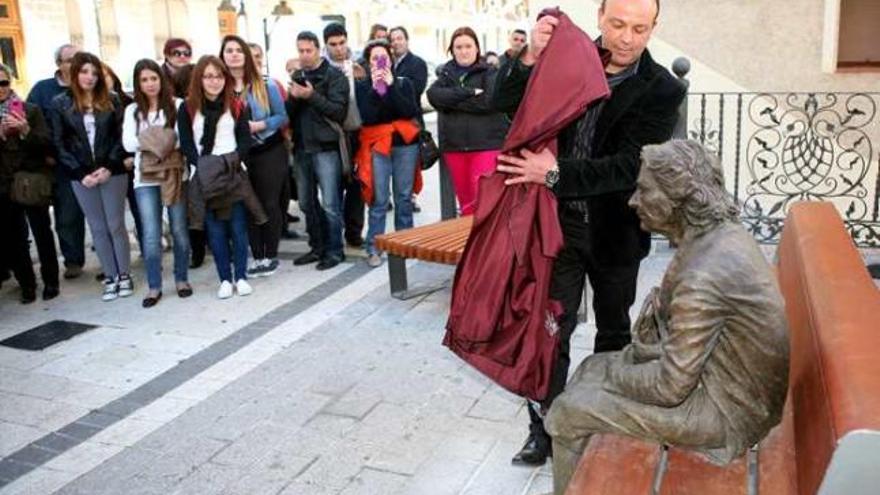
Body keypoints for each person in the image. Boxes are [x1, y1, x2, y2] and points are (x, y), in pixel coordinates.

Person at [493, 0, 687, 466]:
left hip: (615, 232)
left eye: (640, 28)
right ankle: (546, 429)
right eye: (618, 24)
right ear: (600, 17)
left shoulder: (661, 89)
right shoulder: (567, 59)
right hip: (554, 228)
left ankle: (603, 425)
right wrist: (530, 59)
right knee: (549, 333)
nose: (627, 37)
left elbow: (628, 166)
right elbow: (504, 103)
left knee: (614, 332)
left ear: (653, 28)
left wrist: (554, 173)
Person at [545, 140, 789, 493]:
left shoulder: (704, 273)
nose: (633, 201)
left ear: (679, 197)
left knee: (568, 410)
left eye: (644, 190)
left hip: (727, 413)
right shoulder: (716, 235)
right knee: (590, 368)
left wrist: (618, 370)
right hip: (728, 386)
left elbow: (669, 387)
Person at [51, 52, 133, 302]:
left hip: (112, 172)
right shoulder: (60, 103)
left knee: (116, 224)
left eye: (94, 73)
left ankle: (124, 275)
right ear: (74, 73)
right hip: (81, 175)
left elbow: (121, 138)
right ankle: (109, 276)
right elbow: (59, 142)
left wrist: (109, 166)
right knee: (97, 227)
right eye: (85, 72)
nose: (90, 77)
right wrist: (79, 172)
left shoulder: (113, 100)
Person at [178, 55, 254, 299]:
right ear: (199, 78)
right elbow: (187, 144)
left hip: (232, 173)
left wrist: (230, 163)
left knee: (239, 227)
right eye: (208, 76)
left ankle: (241, 276)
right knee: (215, 230)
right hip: (205, 176)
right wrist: (203, 166)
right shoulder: (188, 107)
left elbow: (244, 139)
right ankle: (224, 278)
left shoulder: (236, 104)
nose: (214, 81)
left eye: (219, 76)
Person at [122, 59, 192, 308]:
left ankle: (182, 278)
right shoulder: (132, 111)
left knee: (179, 230)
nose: (150, 84)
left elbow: (183, 140)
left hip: (175, 173)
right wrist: (163, 140)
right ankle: (154, 285)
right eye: (144, 80)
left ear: (161, 80)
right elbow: (128, 144)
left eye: (154, 78)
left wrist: (148, 140)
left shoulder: (177, 105)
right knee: (150, 234)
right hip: (145, 178)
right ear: (138, 83)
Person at [220, 35, 288, 278]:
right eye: (230, 50)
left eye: (239, 50)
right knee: (247, 205)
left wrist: (259, 125)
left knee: (269, 203)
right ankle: (257, 256)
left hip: (268, 149)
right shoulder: (220, 88)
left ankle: (270, 255)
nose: (235, 54)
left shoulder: (265, 84)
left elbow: (282, 116)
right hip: (238, 155)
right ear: (223, 55)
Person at [285, 31, 349, 271]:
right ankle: (317, 247)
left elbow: (337, 112)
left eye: (308, 50)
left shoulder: (334, 76)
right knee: (305, 202)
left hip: (326, 148)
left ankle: (335, 251)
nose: (304, 55)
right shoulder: (298, 75)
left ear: (318, 49)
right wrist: (293, 98)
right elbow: (288, 114)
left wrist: (311, 95)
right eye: (300, 51)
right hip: (302, 148)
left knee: (331, 203)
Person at [427, 27, 508, 216]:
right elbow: (434, 96)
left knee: (483, 202)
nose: (463, 51)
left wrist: (451, 101)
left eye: (468, 46)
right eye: (458, 47)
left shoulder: (490, 72)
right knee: (466, 206)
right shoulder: (446, 74)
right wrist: (468, 93)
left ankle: (487, 245)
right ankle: (469, 245)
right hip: (455, 148)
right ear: (452, 50)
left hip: (486, 146)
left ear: (477, 48)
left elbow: (488, 102)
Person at [354, 40, 421, 268]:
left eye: (384, 58)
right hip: (377, 145)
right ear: (368, 62)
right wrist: (377, 89)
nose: (380, 62)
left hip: (404, 145)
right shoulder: (363, 87)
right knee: (379, 199)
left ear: (391, 60)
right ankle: (374, 246)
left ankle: (406, 243)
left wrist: (390, 87)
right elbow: (370, 116)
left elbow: (408, 111)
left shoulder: (404, 83)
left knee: (403, 196)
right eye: (375, 58)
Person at [27, 44, 86, 280]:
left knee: (96, 214)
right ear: (59, 64)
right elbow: (32, 123)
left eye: (78, 59)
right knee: (67, 213)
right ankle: (73, 260)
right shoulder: (42, 90)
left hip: (87, 160)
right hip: (57, 163)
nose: (75, 64)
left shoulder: (88, 84)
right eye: (70, 60)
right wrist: (47, 154)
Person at [0, 63, 53, 303]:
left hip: (31, 180)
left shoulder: (29, 110)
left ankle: (51, 281)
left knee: (42, 232)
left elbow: (46, 144)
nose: (0, 89)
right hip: (3, 185)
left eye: (3, 83)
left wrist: (24, 130)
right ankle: (27, 284)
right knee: (13, 237)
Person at [323, 22, 366, 248]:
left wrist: (363, 78)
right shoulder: (322, 68)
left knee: (358, 186)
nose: (338, 48)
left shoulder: (359, 63)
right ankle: (334, 235)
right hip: (334, 134)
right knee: (334, 186)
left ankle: (354, 231)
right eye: (333, 44)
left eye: (341, 43)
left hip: (358, 131)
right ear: (326, 45)